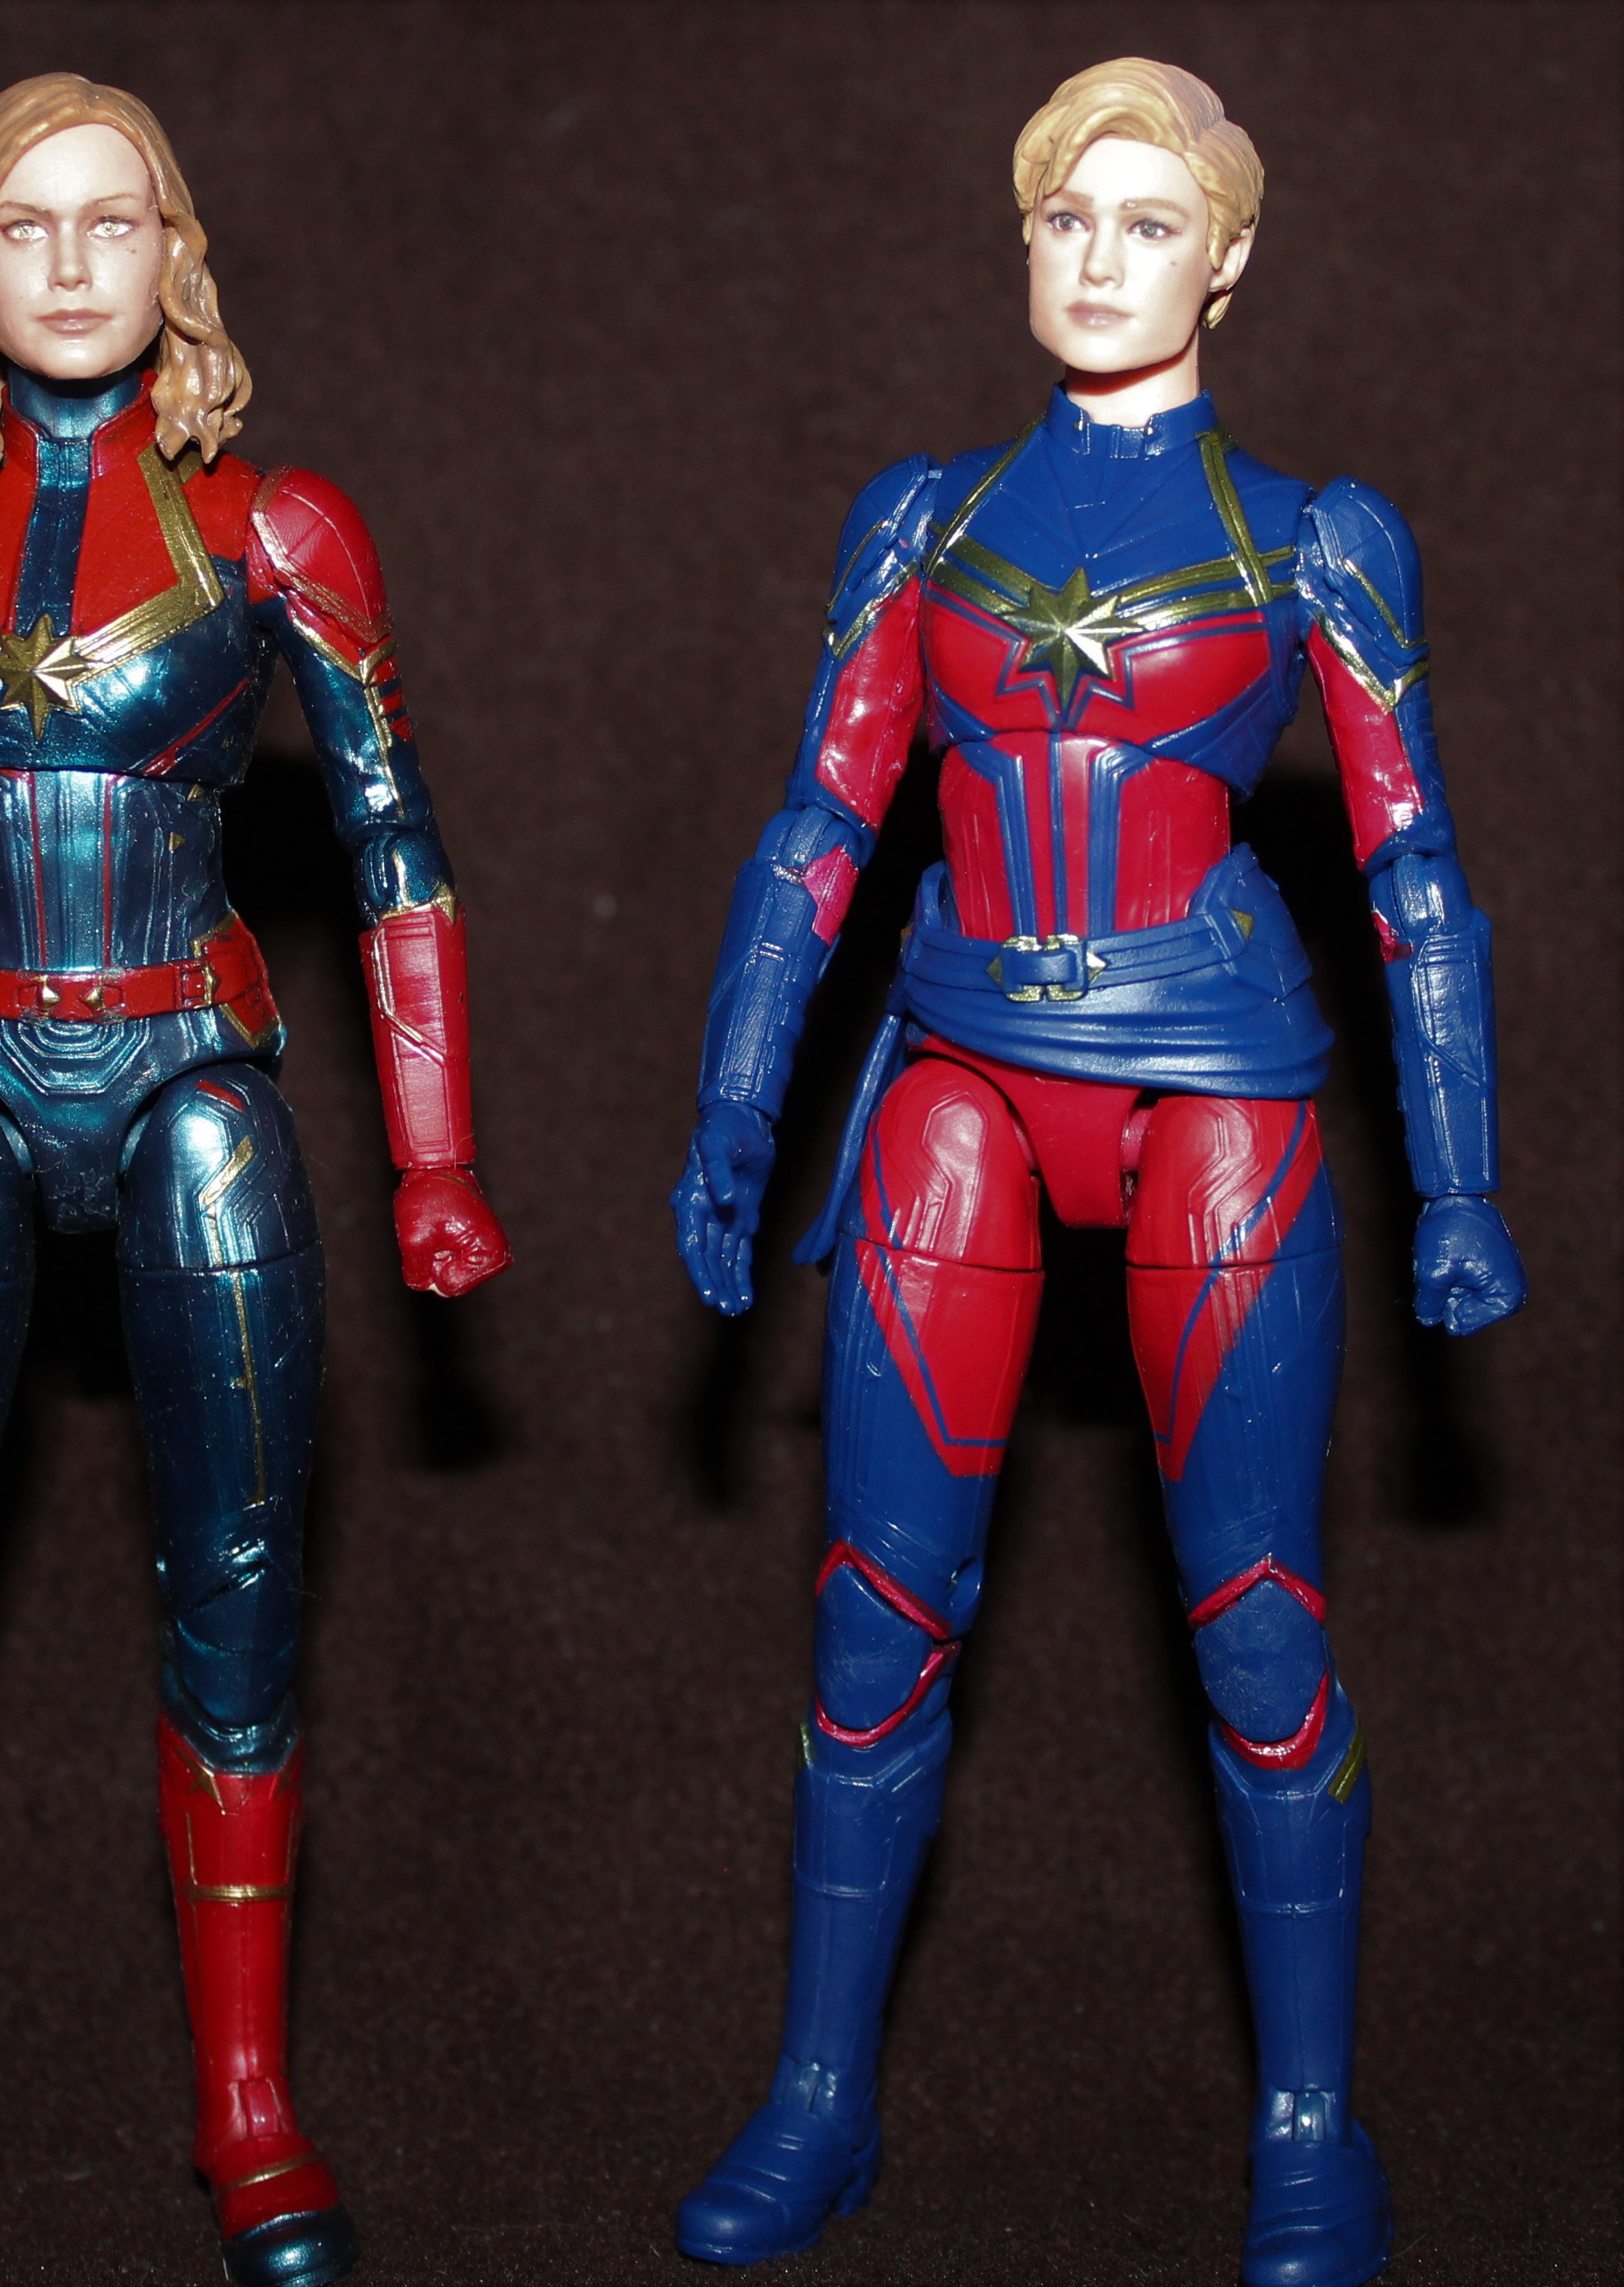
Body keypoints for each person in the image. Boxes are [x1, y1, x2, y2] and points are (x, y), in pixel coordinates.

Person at [669, 56, 1521, 2287]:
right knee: (875, 1612)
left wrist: (1456, 1174)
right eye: (1066, 217)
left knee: (1256, 1622)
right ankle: (822, 2090)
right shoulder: (920, 520)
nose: (1098, 258)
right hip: (958, 1061)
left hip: (1215, 1077)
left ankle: (1309, 2118)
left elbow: (1415, 868)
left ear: (1225, 260)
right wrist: (740, 1096)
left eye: (1148, 224)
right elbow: (823, 820)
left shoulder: (1313, 538)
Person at [0, 71, 508, 2287]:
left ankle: (248, 2106)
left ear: (178, 257)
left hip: (186, 1073)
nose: (68, 262)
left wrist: (436, 1160)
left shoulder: (276, 531)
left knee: (236, 1589)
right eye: (23, 224)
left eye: (111, 219)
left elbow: (393, 846)